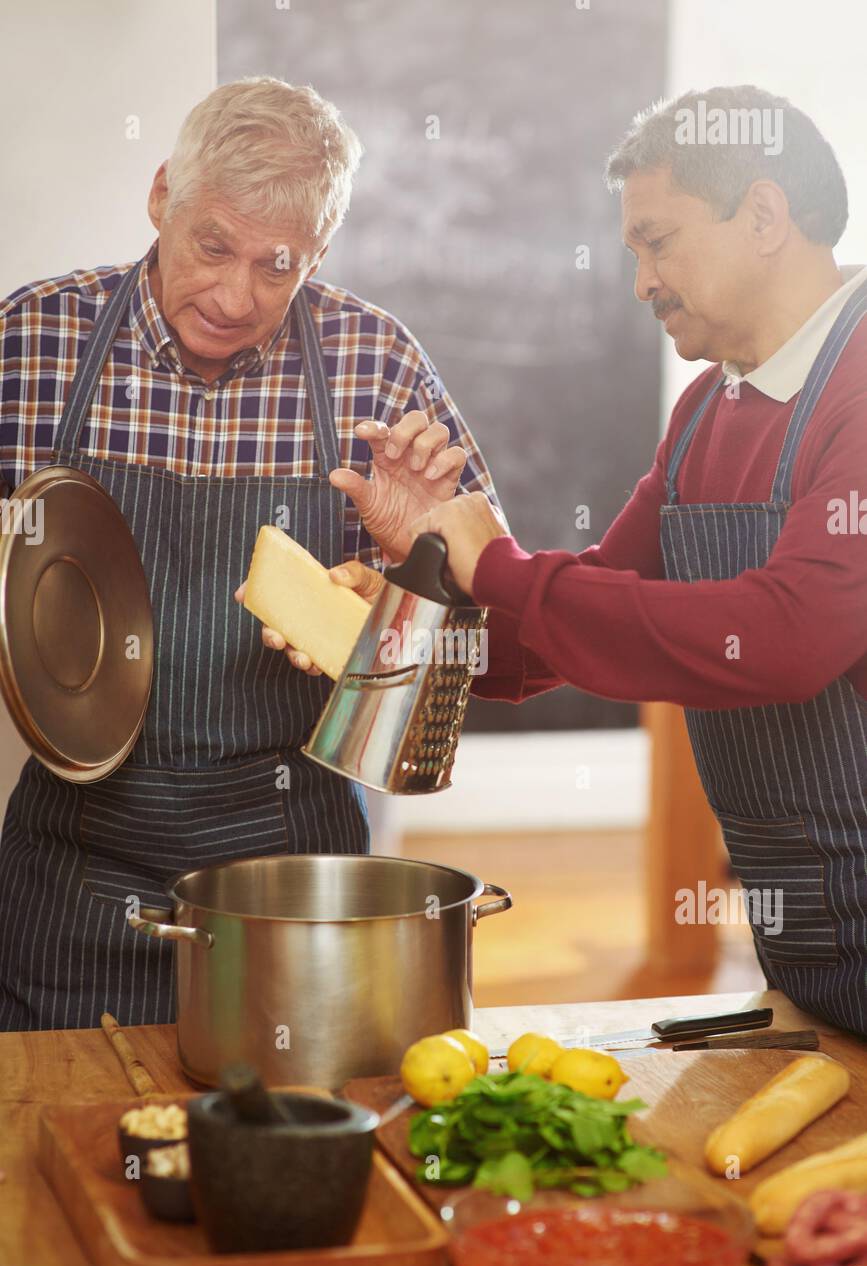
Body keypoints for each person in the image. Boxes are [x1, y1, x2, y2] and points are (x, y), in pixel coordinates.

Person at [320, 86, 867, 1036]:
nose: (640, 280)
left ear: (765, 215)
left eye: (657, 241)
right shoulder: (705, 415)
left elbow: (786, 637)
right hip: (813, 939)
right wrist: (409, 608)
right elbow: (564, 636)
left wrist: (500, 569)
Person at [0, 77, 501, 1031]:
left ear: (321, 250)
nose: (235, 297)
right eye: (211, 247)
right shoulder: (32, 341)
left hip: (293, 880)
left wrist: (410, 591)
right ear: (161, 198)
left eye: (278, 266)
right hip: (70, 872)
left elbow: (466, 673)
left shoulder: (376, 364)